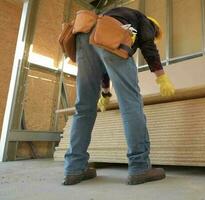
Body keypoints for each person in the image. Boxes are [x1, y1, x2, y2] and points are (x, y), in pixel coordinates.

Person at [63, 6, 175, 185]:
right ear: (154, 28)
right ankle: (140, 167)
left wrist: (106, 93)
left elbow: (106, 63)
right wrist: (161, 77)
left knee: (83, 108)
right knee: (131, 104)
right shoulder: (144, 22)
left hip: (83, 35)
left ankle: (74, 169)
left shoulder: (121, 20)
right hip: (107, 33)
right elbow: (148, 46)